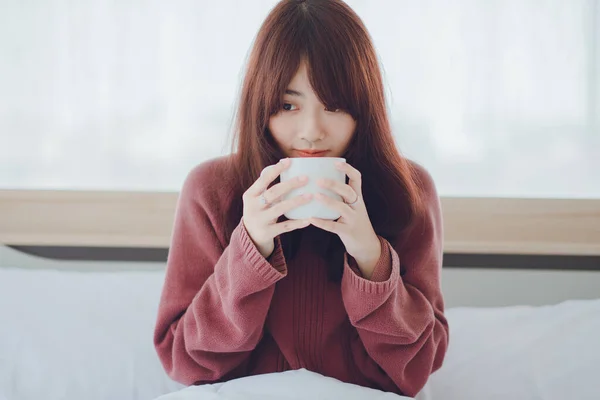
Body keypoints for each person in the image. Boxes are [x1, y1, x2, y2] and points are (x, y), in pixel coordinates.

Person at [153, 0, 449, 396]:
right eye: (288, 105)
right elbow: (183, 360)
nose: (311, 131)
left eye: (335, 104)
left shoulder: (407, 190)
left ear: (365, 108)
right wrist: (249, 251)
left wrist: (370, 256)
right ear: (261, 105)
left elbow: (418, 367)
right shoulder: (212, 189)